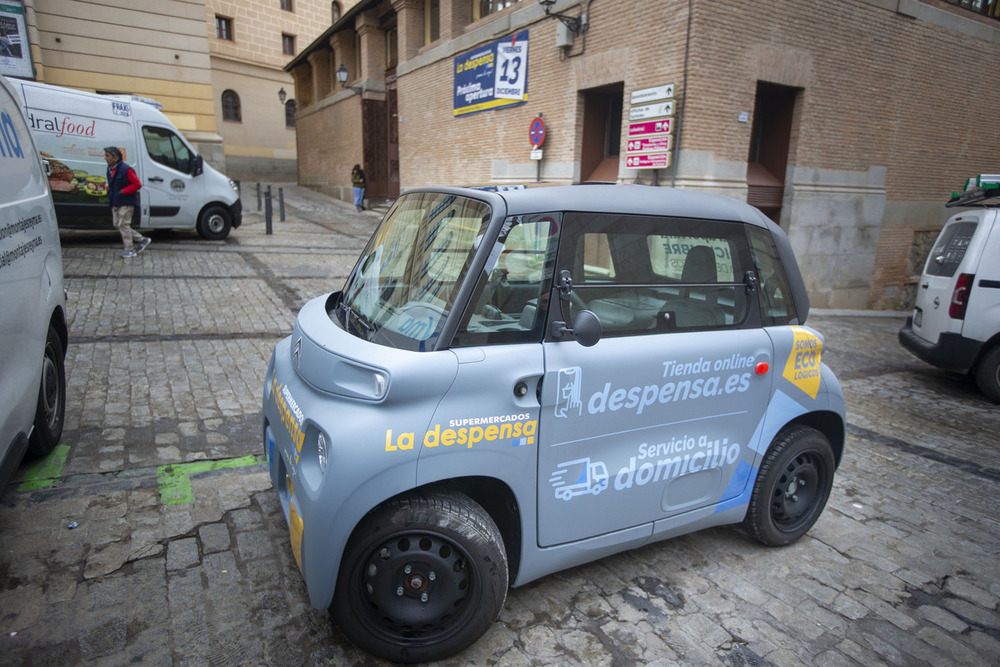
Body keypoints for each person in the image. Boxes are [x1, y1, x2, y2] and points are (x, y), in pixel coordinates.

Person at [104, 146, 149, 258]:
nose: (105, 158)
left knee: (123, 225)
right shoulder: (109, 169)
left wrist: (123, 191)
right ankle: (142, 239)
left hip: (127, 202)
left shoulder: (126, 169)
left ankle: (129, 249)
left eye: (107, 156)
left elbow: (137, 184)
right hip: (116, 202)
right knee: (117, 224)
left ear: (115, 158)